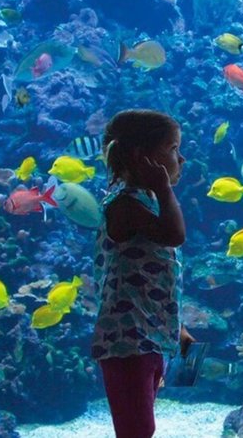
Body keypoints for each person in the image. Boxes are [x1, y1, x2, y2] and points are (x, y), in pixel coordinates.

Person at [91, 109, 195, 438]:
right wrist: (165, 190)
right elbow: (174, 235)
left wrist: (174, 326)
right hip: (127, 342)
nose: (182, 157)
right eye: (173, 148)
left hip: (147, 338)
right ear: (142, 157)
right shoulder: (125, 205)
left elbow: (148, 279)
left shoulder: (144, 202)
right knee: (137, 430)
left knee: (142, 424)